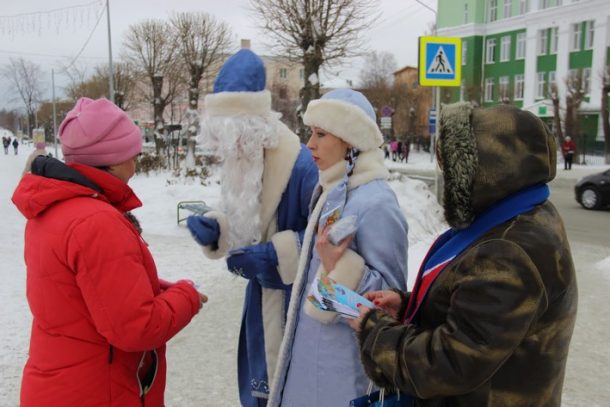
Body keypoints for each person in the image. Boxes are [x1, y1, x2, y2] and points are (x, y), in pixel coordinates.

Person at [347, 102, 578, 406]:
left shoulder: (508, 252)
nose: (445, 172)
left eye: (453, 163)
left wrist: (376, 333)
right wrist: (408, 304)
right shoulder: (519, 214)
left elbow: (451, 364)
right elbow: (480, 309)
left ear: (491, 168)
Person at [11, 97, 206, 407]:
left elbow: (85, 296)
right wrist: (187, 296)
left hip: (58, 384)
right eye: (133, 154)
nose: (136, 164)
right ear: (112, 160)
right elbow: (136, 328)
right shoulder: (97, 222)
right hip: (99, 390)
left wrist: (156, 289)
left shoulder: (55, 208)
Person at [186, 49, 318, 407]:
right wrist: (218, 230)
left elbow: (330, 240)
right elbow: (247, 220)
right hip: (261, 304)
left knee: (290, 394)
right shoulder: (245, 157)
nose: (231, 148)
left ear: (255, 124)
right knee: (260, 392)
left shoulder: (302, 168)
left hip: (297, 313)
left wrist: (276, 255)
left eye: (235, 135)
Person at [268, 89, 409, 406]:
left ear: (350, 140)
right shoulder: (331, 192)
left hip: (347, 378)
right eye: (310, 132)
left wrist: (342, 266)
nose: (310, 144)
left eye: (321, 134)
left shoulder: (377, 203)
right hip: (311, 366)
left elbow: (391, 304)